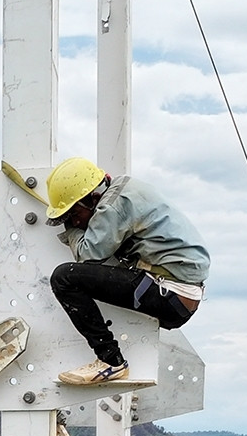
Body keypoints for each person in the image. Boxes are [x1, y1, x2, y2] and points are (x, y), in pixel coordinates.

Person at [43, 155, 210, 386]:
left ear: (92, 199)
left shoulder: (112, 207)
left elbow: (87, 254)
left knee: (65, 278)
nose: (76, 222)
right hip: (175, 292)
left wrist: (69, 228)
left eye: (74, 215)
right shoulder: (123, 191)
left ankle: (111, 361)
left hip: (169, 293)